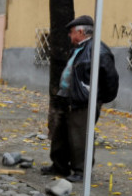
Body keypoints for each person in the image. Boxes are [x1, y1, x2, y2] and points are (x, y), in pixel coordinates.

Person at [42, 14, 119, 182]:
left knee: (80, 137)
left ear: (81, 32)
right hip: (68, 98)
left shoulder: (98, 50)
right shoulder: (80, 48)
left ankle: (80, 171)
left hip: (83, 102)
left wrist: (96, 99)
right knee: (60, 134)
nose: (69, 35)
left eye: (71, 32)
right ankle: (59, 166)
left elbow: (111, 79)